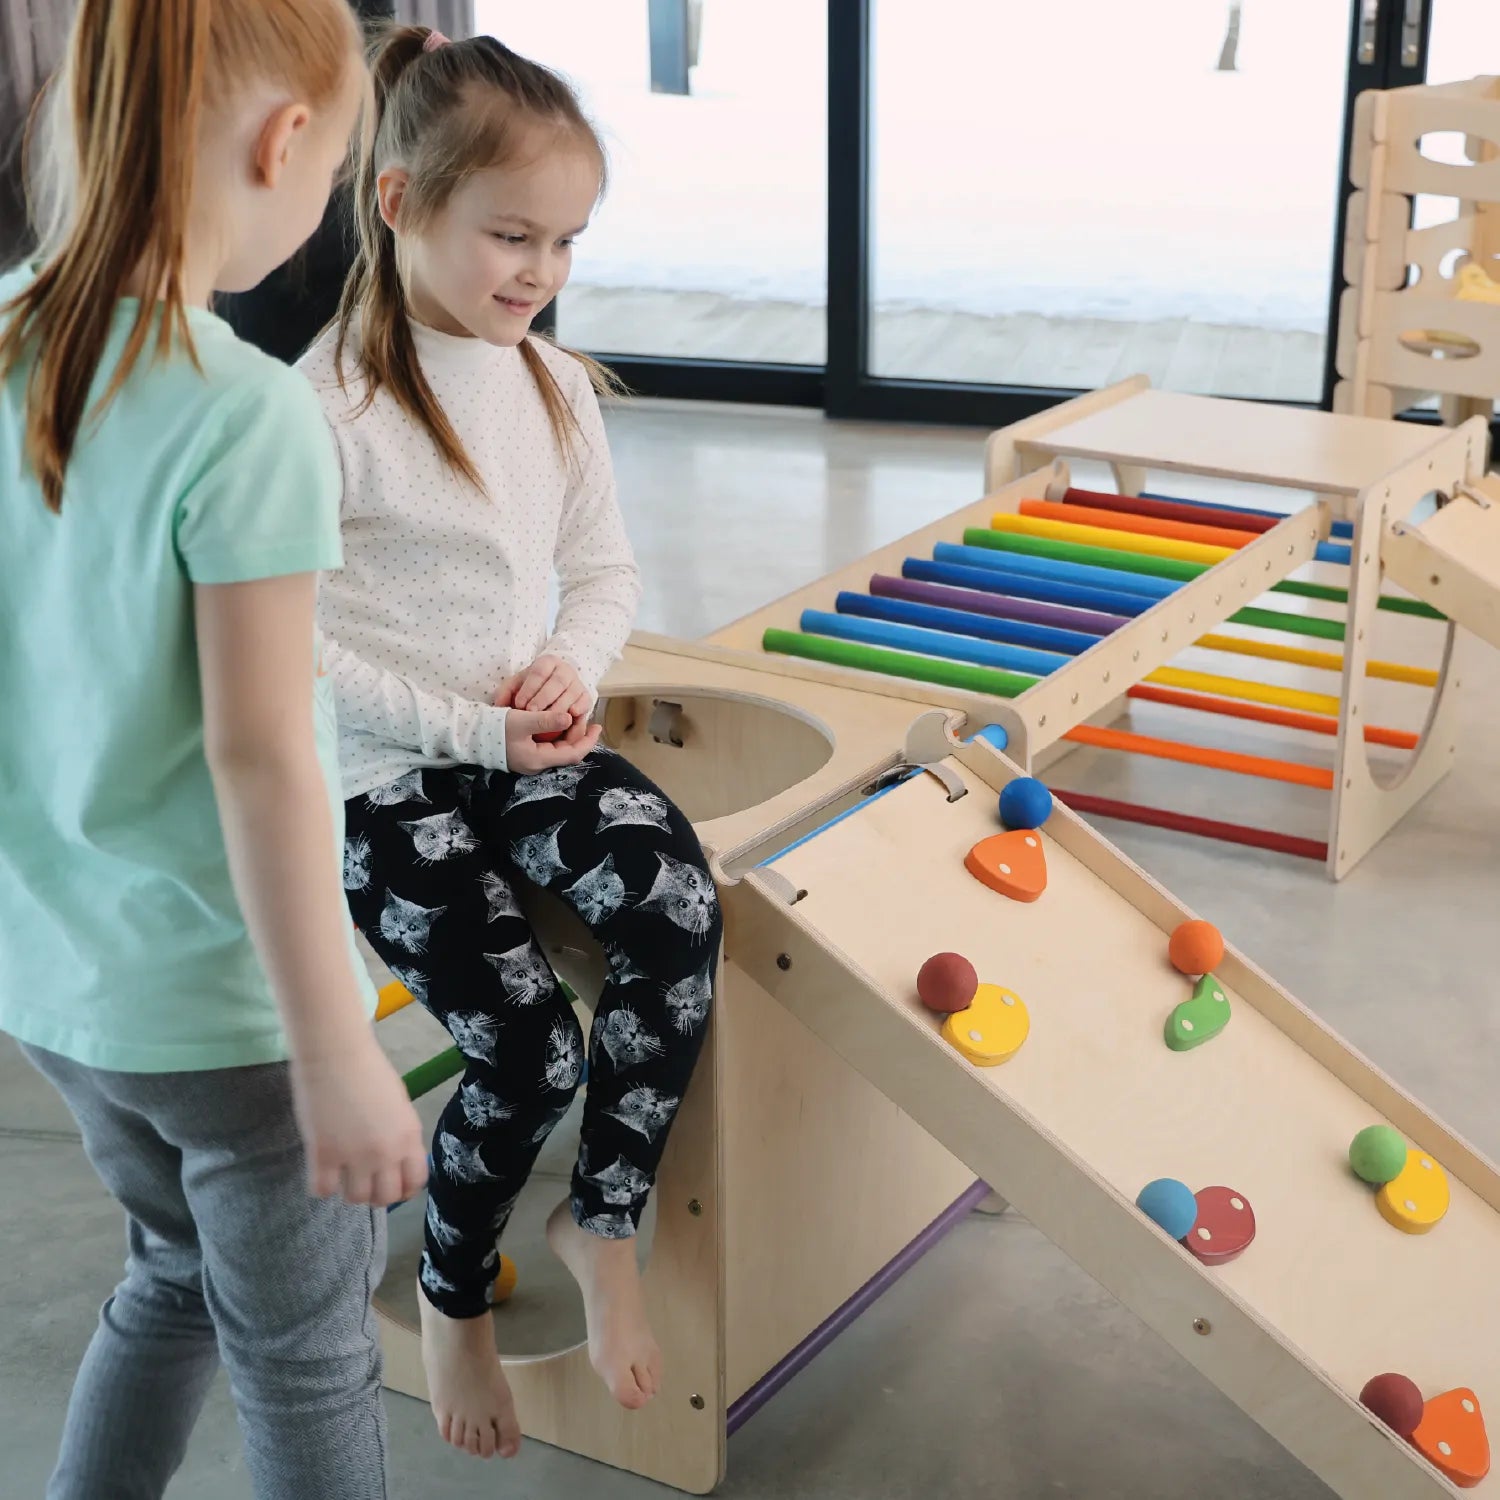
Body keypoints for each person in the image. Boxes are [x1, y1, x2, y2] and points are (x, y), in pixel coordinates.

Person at [0, 3, 427, 1497]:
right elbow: (263, 761)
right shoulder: (243, 417)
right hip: (231, 1017)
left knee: (174, 1277)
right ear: (284, 141)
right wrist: (336, 1053)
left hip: (59, 990)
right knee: (308, 1359)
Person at [301, 24, 722, 1463]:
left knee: (677, 910)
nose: (539, 274)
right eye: (512, 236)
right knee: (528, 1047)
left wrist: (569, 665)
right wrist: (474, 723)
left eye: (565, 243)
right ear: (399, 199)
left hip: (519, 742)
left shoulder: (548, 384)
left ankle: (600, 1217)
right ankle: (455, 1292)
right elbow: (297, 641)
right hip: (383, 772)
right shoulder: (326, 407)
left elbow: (602, 573)